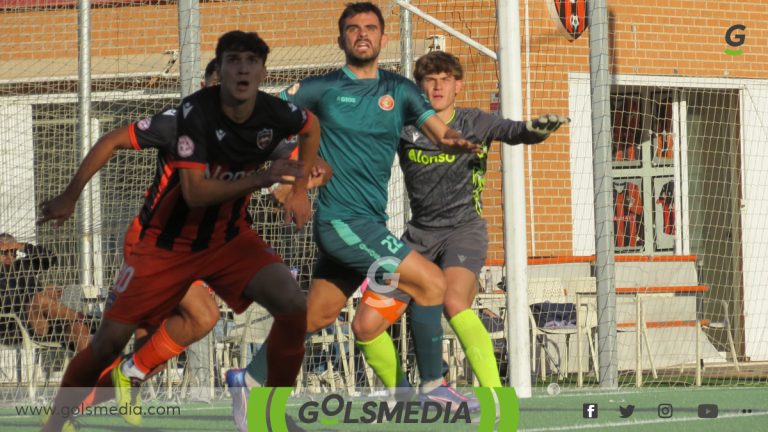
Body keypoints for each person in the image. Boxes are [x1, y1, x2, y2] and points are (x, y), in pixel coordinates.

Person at [41, 30, 321, 432]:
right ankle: (57, 421)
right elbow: (194, 192)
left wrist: (301, 187)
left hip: (228, 238)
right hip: (164, 244)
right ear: (217, 73)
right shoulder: (188, 117)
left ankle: (266, 415)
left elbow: (309, 135)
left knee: (291, 307)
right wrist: (70, 195)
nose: (242, 69)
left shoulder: (270, 116)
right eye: (232, 62)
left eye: (250, 62)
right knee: (109, 341)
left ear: (262, 71)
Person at [225, 3, 479, 430]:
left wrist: (456, 141)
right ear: (341, 37)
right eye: (353, 28)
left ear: (383, 37)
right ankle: (433, 386)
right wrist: (281, 172)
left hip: (368, 222)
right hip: (340, 222)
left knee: (316, 315)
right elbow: (263, 117)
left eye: (370, 28)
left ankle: (249, 379)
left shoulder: (400, 90)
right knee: (431, 282)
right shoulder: (320, 89)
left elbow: (439, 129)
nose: (362, 34)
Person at [392, 51, 569, 395]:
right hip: (417, 236)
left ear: (458, 85)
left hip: (463, 231)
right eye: (430, 80)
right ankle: (402, 394)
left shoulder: (476, 122)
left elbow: (513, 130)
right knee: (370, 320)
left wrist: (535, 131)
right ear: (419, 87)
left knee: (454, 302)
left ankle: (495, 395)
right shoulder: (403, 127)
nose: (438, 86)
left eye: (445, 79)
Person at [0, 233, 89, 352]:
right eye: (4, 252)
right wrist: (41, 295)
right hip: (17, 325)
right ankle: (89, 320)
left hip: (47, 320)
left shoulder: (23, 265)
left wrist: (20, 245)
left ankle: (90, 370)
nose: (9, 256)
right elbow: (6, 302)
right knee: (38, 300)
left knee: (78, 328)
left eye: (13, 252)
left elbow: (50, 258)